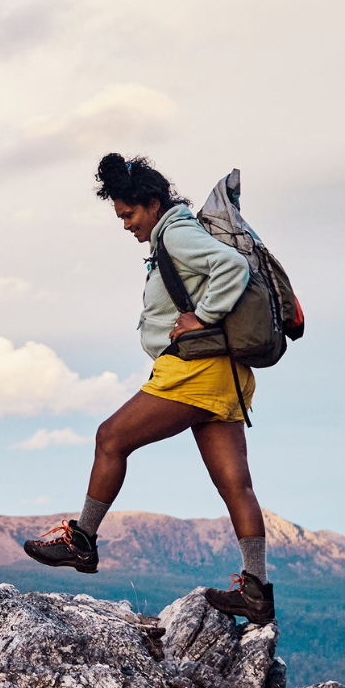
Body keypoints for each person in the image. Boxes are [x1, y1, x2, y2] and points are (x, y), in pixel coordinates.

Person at [23, 153, 273, 625]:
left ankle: (81, 542)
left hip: (195, 370)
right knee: (236, 485)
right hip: (224, 373)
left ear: (152, 203)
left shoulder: (176, 233)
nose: (125, 225)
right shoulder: (171, 234)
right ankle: (256, 591)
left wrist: (202, 317)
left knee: (110, 437)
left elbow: (232, 268)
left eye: (128, 214)